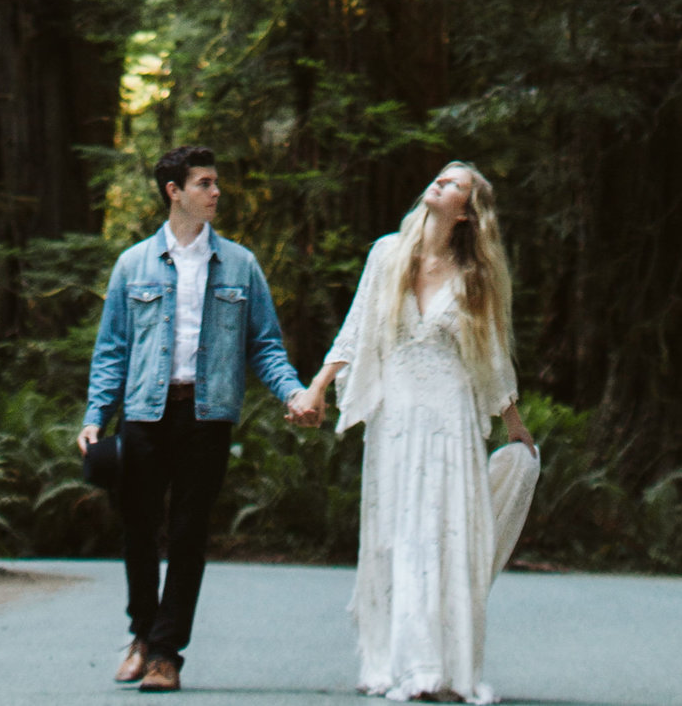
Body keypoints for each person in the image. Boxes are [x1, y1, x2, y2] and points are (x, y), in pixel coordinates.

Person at [290, 164, 538, 706]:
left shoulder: (475, 275)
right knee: (398, 533)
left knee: (441, 532)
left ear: (467, 211)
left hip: (449, 415)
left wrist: (515, 428)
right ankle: (401, 661)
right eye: (440, 178)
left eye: (454, 185)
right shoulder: (387, 254)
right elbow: (356, 327)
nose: (439, 184)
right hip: (396, 418)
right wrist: (317, 387)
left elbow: (493, 358)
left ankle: (442, 666)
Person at [79, 141, 308, 693]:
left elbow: (265, 346)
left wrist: (293, 392)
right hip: (143, 414)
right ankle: (141, 632)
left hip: (207, 418)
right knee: (138, 530)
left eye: (215, 182)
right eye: (204, 183)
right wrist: (95, 414)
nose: (215, 192)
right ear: (173, 192)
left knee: (187, 535)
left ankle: (165, 654)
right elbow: (112, 349)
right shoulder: (133, 264)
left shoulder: (240, 264)